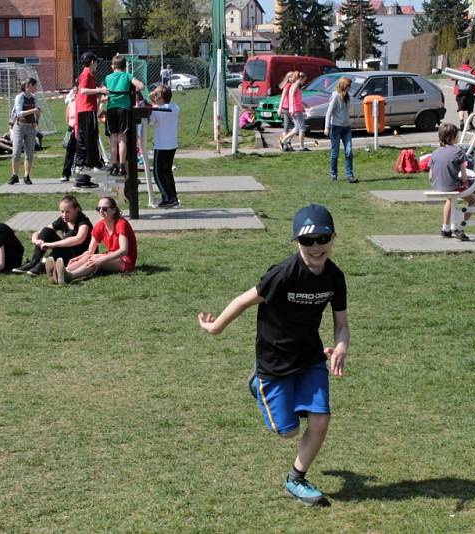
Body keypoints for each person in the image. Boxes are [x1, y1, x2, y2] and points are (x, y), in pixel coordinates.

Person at [197, 204, 349, 506]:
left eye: (323, 239)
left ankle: (296, 478)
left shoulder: (334, 277)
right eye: (307, 241)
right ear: (297, 242)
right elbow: (244, 300)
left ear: (333, 238)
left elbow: (341, 324)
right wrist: (215, 329)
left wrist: (341, 345)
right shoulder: (282, 274)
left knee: (320, 420)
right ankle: (258, 383)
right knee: (288, 432)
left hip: (310, 356)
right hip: (274, 361)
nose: (316, 247)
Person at [48, 196, 136, 284]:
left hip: (125, 260)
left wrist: (101, 259)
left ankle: (69, 276)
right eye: (98, 208)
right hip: (111, 255)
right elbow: (90, 251)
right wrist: (78, 258)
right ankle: (61, 272)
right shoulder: (99, 225)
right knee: (90, 257)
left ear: (114, 210)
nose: (101, 211)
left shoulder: (121, 224)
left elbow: (124, 251)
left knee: (95, 259)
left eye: (104, 208)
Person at [13, 195, 93, 276]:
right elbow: (40, 232)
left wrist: (52, 245)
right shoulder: (63, 219)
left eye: (67, 212)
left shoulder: (83, 222)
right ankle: (34, 261)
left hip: (80, 256)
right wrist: (36, 240)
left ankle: (43, 264)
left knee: (70, 235)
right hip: (65, 251)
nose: (64, 215)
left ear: (76, 210)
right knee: (46, 231)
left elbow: (79, 239)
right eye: (62, 211)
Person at [429, 123, 475, 241]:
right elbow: (464, 175)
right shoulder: (458, 152)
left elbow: (430, 174)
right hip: (451, 186)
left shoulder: (435, 152)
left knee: (449, 199)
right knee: (474, 201)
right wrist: (464, 182)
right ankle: (459, 227)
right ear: (452, 137)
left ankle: (445, 228)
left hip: (437, 185)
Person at [105, 54, 144, 177]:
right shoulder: (128, 76)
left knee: (113, 139)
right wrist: (132, 91)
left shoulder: (108, 77)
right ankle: (122, 165)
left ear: (113, 66)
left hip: (111, 108)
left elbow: (104, 91)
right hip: (124, 109)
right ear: (125, 66)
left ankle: (113, 165)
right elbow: (141, 86)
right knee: (122, 139)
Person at [73, 52, 109, 189]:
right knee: (89, 140)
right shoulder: (86, 74)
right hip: (86, 111)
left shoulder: (89, 75)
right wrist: (99, 89)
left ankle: (85, 176)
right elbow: (83, 91)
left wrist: (101, 93)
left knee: (90, 139)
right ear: (92, 61)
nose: (97, 64)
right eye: (96, 62)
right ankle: (89, 165)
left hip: (88, 109)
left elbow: (90, 93)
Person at [149, 85, 180, 208]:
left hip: (161, 145)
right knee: (167, 173)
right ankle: (173, 197)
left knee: (158, 173)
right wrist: (156, 100)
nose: (154, 97)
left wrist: (152, 103)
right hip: (172, 144)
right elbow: (167, 103)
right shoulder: (175, 107)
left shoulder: (157, 110)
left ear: (160, 98)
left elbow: (151, 123)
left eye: (156, 96)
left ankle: (167, 198)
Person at [6, 78, 40, 185]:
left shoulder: (34, 98)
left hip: (31, 127)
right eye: (34, 86)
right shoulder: (20, 97)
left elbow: (38, 111)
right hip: (19, 126)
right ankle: (15, 175)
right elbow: (19, 113)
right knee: (16, 152)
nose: (36, 88)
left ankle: (26, 176)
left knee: (29, 153)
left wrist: (36, 121)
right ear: (29, 85)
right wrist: (33, 110)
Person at [323, 77, 357, 183]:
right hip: (336, 127)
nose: (349, 88)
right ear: (343, 85)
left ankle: (350, 175)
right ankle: (333, 175)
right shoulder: (335, 96)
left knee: (349, 151)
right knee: (335, 152)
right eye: (348, 86)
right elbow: (329, 112)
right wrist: (327, 127)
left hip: (346, 128)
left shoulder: (348, 96)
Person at [281, 71, 309, 152]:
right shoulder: (296, 85)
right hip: (296, 110)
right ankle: (301, 146)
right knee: (302, 129)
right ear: (301, 78)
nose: (304, 82)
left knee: (297, 128)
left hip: (297, 108)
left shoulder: (296, 85)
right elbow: (291, 96)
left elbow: (296, 98)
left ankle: (284, 141)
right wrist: (292, 108)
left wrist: (303, 104)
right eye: (304, 80)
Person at [454, 58, 475, 130]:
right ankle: (470, 124)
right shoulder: (472, 70)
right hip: (469, 92)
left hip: (460, 92)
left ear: (462, 63)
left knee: (460, 108)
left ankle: (461, 122)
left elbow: (452, 78)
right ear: (468, 63)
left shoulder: (459, 70)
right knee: (470, 109)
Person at [60, 86, 80, 182]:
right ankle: (66, 174)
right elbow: (67, 117)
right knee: (69, 152)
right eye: (75, 92)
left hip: (80, 130)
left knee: (81, 152)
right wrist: (70, 127)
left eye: (77, 92)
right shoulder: (71, 104)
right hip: (71, 129)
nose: (76, 94)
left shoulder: (82, 103)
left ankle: (80, 173)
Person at [277, 71, 295, 151]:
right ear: (289, 78)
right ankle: (285, 143)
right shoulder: (287, 86)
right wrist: (279, 108)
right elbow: (282, 97)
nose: (294, 78)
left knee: (292, 127)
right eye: (292, 77)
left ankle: (287, 142)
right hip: (286, 109)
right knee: (287, 127)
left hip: (291, 108)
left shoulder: (293, 86)